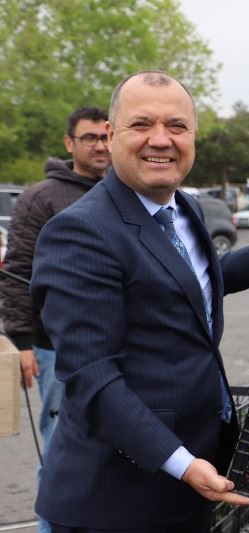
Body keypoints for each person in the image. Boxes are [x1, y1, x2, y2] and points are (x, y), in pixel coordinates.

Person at [29, 71, 249, 532]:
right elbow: (91, 378)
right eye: (142, 124)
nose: (161, 139)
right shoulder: (79, 232)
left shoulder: (184, 208)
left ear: (193, 137)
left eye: (177, 126)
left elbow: (174, 287)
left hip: (189, 486)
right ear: (112, 134)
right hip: (115, 500)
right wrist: (182, 463)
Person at [0, 106, 110, 533]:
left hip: (112, 346)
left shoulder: (121, 190)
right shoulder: (41, 197)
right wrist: (22, 342)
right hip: (54, 348)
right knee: (61, 450)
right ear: (69, 143)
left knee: (107, 448)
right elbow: (17, 271)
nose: (99, 146)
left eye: (105, 137)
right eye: (89, 138)